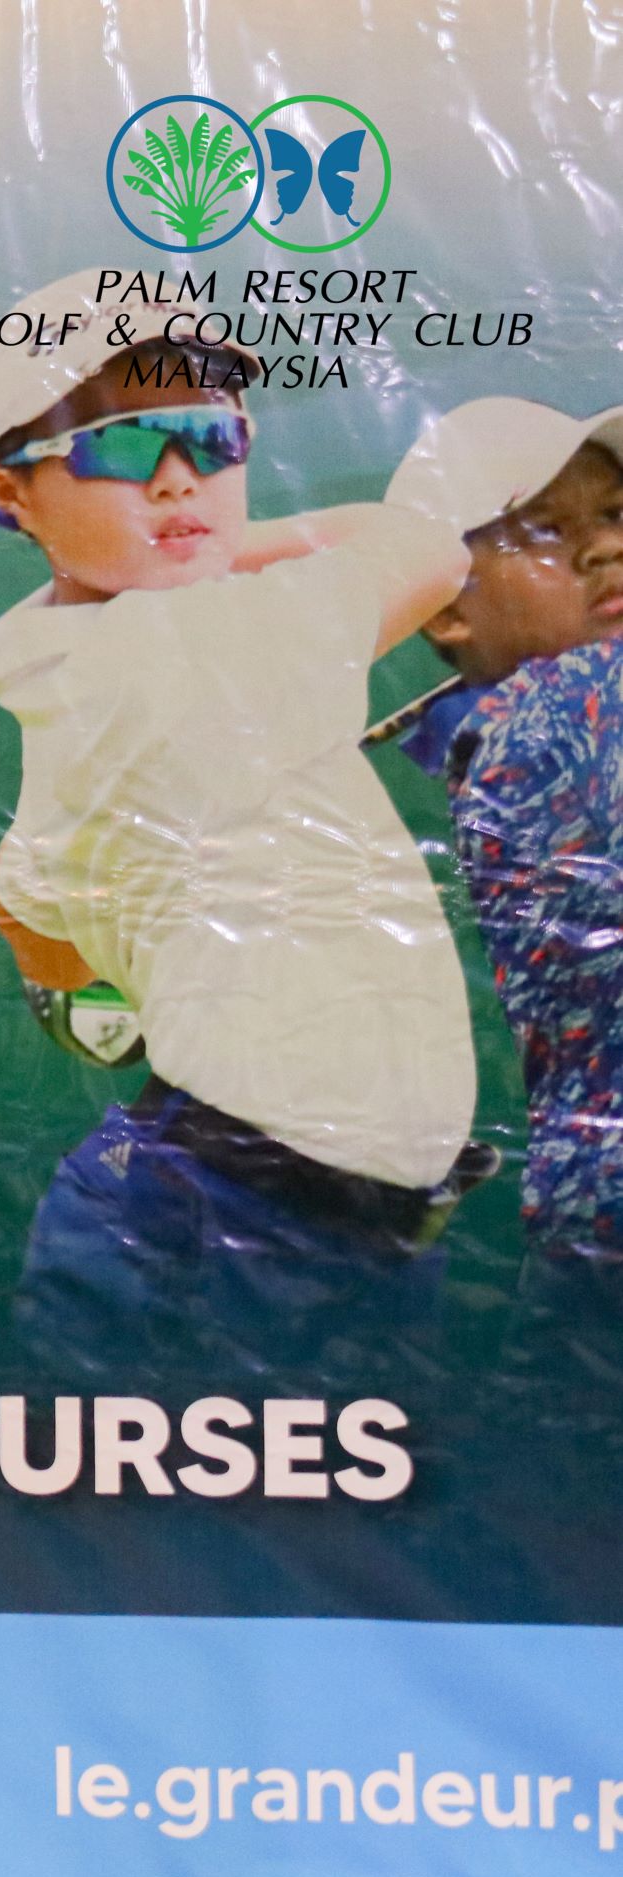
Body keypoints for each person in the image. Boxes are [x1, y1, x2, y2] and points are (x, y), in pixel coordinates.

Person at [0, 270, 485, 1369]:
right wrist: (232, 543)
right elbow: (431, 547)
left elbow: (19, 906)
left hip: (249, 1212)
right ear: (9, 491)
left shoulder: (65, 679)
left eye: (208, 434)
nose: (175, 474)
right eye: (115, 444)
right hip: (232, 1227)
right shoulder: (215, 646)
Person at [385, 399, 623, 1373]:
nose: (605, 548)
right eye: (545, 530)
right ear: (445, 607)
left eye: (615, 513)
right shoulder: (561, 708)